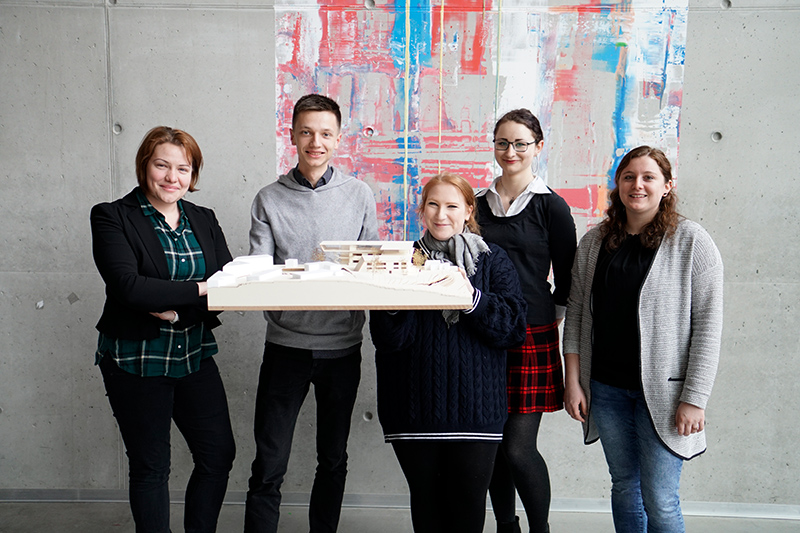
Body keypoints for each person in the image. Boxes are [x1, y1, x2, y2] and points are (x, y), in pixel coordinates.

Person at [563, 146, 723, 533]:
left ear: (667, 186)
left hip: (666, 396)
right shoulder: (595, 242)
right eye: (629, 176)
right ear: (617, 184)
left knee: (661, 500)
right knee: (624, 487)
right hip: (606, 389)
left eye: (649, 177)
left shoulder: (691, 242)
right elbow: (576, 313)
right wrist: (574, 381)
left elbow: (708, 325)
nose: (638, 185)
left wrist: (694, 398)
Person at [90, 126, 236, 533]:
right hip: (136, 359)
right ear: (144, 166)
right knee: (152, 467)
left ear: (193, 175)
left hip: (193, 354)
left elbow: (226, 286)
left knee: (218, 455)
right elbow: (129, 287)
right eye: (162, 165)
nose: (172, 177)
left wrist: (174, 310)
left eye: (183, 169)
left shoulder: (203, 219)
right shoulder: (112, 216)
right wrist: (200, 288)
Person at [244, 94, 379, 533]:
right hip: (287, 347)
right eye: (306, 132)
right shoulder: (268, 198)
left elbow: (369, 270)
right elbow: (259, 273)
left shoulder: (360, 195)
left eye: (324, 134)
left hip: (343, 347)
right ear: (292, 136)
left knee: (333, 458)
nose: (315, 142)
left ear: (339, 140)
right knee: (269, 461)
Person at [370, 172, 528, 533]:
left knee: (468, 507)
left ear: (469, 210)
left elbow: (513, 328)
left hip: (477, 410)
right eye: (433, 205)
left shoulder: (493, 260)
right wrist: (399, 297)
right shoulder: (401, 260)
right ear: (421, 210)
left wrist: (468, 297)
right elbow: (388, 340)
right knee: (426, 505)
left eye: (452, 205)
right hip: (412, 408)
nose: (442, 214)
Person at [478, 109, 576, 533]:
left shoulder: (552, 207)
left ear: (538, 147)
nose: (511, 151)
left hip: (531, 333)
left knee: (518, 447)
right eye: (503, 142)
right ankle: (506, 525)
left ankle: (540, 529)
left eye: (520, 143)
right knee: (492, 446)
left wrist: (544, 318)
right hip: (481, 332)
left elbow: (569, 280)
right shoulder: (475, 204)